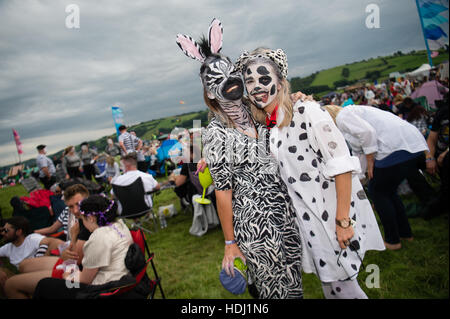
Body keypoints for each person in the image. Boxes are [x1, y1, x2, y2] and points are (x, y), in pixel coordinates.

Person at [236, 47, 385, 299]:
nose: (256, 86)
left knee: (344, 289)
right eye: (249, 81)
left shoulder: (307, 112)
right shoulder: (271, 125)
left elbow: (342, 165)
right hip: (308, 224)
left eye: (264, 78)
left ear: (281, 82)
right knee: (334, 289)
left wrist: (342, 221)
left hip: (330, 219)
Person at [177, 19, 303, 299]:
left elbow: (283, 114)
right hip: (257, 229)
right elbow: (223, 193)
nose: (228, 81)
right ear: (210, 91)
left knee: (294, 288)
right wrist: (230, 242)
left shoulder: (258, 109)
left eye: (230, 72)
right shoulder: (216, 133)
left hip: (287, 217)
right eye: (216, 79)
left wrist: (297, 98)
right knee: (277, 294)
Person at [321, 104, 429, 250]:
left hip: (396, 148)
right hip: (410, 145)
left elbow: (367, 133)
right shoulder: (352, 117)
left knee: (378, 193)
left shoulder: (343, 116)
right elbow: (360, 152)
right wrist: (358, 178)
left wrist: (371, 161)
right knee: (388, 192)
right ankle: (405, 234)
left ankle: (393, 240)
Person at [33, 195, 133, 299]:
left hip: (104, 290)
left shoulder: (99, 237)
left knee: (44, 284)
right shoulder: (119, 224)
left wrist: (67, 274)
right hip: (122, 282)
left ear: (90, 218)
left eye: (82, 220)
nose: (82, 224)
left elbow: (84, 280)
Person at [3, 184, 92, 298]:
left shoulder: (88, 225)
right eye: (70, 206)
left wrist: (73, 238)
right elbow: (53, 230)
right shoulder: (80, 219)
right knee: (23, 265)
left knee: (10, 285)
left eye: (78, 204)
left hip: (74, 274)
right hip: (72, 266)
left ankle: (34, 286)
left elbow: (74, 264)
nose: (75, 210)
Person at [0, 217, 63, 296]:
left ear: (19, 232)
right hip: (25, 278)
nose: (2, 233)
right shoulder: (8, 248)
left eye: (6, 231)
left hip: (41, 274)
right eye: (2, 230)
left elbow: (54, 242)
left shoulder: (32, 239)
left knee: (11, 283)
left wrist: (41, 260)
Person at [425, 97, 449, 219]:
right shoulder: (443, 112)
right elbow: (431, 138)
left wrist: (445, 153)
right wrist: (429, 158)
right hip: (440, 157)